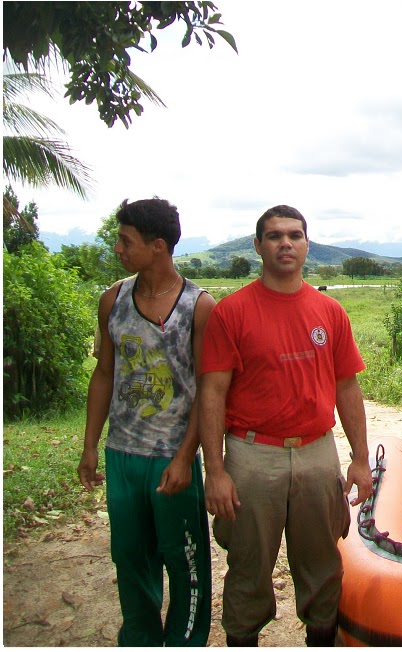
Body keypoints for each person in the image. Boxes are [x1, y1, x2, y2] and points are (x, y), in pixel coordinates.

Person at [198, 204, 373, 647]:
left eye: (294, 235)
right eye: (274, 236)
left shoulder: (329, 312)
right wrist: (215, 471)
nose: (285, 244)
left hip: (317, 452)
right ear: (258, 246)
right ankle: (243, 637)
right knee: (248, 566)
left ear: (307, 245)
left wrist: (360, 459)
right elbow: (213, 392)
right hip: (252, 456)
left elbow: (347, 388)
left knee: (322, 566)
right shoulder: (232, 312)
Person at [77, 197, 215, 646]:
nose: (118, 248)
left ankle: (184, 641)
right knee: (131, 559)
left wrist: (184, 458)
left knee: (185, 562)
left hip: (171, 459)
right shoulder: (112, 300)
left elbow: (206, 391)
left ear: (158, 246)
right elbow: (104, 374)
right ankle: (139, 638)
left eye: (125, 240)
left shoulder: (199, 306)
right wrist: (90, 446)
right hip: (122, 456)